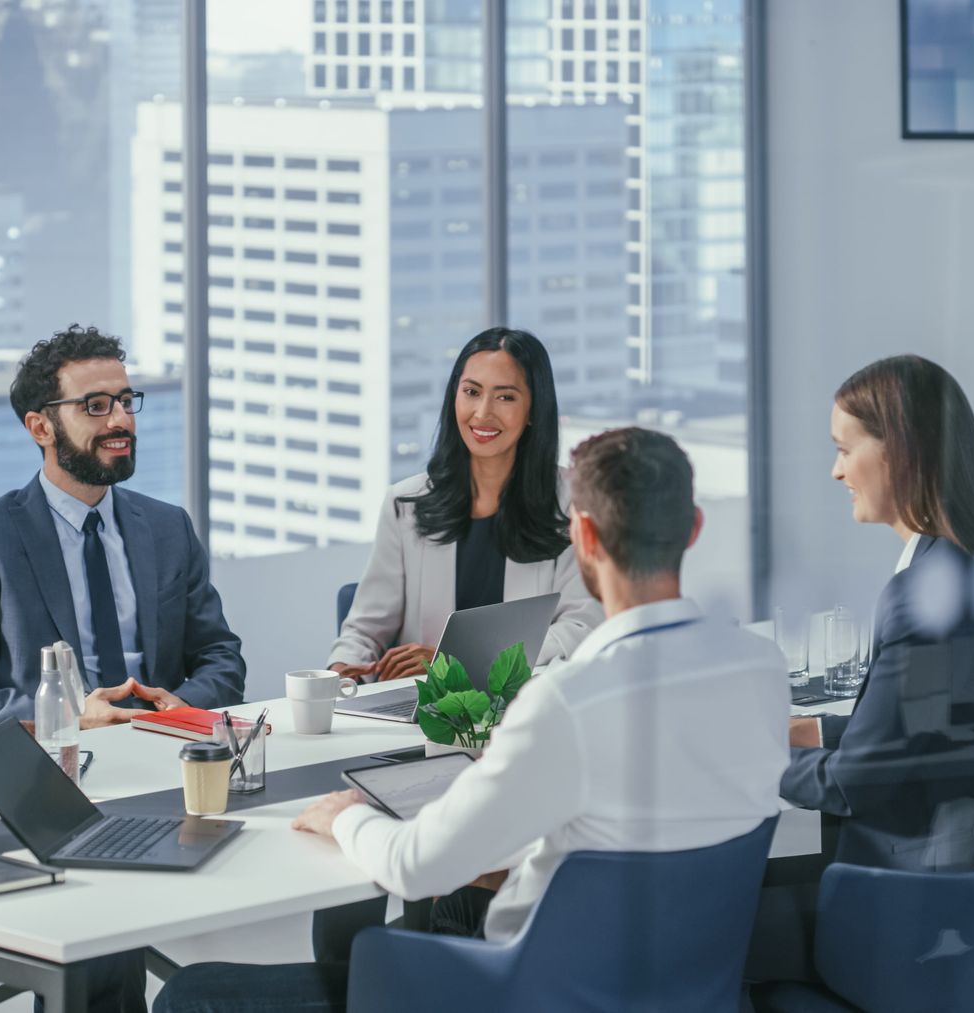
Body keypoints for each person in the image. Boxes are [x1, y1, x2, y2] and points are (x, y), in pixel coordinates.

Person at [152, 427, 791, 1013]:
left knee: (194, 994)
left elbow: (413, 867)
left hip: (517, 992)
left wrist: (343, 813)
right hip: (676, 989)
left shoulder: (567, 702)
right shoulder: (761, 669)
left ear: (586, 537)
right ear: (695, 527)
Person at [747, 354, 974, 986]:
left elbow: (852, 788)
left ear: (897, 452)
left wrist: (748, 753)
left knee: (737, 921)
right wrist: (808, 731)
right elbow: (937, 722)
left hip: (930, 903)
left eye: (845, 449)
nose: (836, 469)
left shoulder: (927, 593)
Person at [0, 324, 245, 733]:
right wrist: (68, 718)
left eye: (125, 401)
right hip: (54, 759)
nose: (121, 421)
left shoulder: (167, 526)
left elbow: (220, 654)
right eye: (96, 406)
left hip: (165, 744)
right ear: (41, 428)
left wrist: (181, 709)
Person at [328, 326, 601, 682]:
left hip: (526, 708)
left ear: (534, 409)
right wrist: (340, 678)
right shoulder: (406, 503)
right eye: (471, 392)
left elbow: (581, 628)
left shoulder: (575, 504)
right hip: (423, 715)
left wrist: (460, 662)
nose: (482, 413)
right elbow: (363, 632)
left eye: (505, 397)